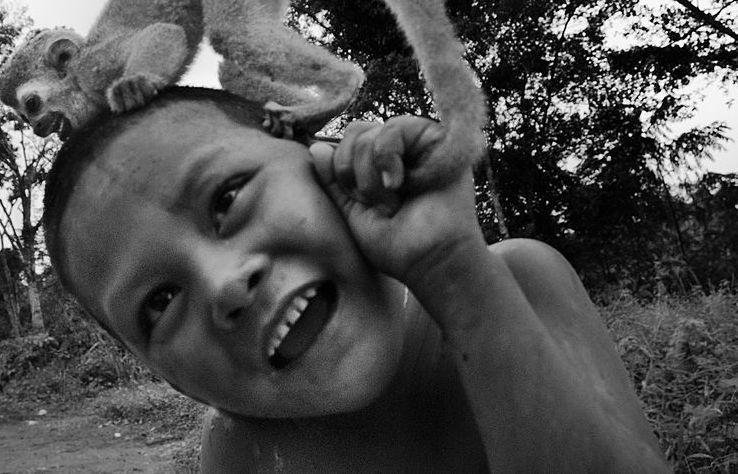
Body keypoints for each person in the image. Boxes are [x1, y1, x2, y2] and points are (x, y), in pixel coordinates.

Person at [43, 86, 668, 472]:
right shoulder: (239, 455)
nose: (225, 284)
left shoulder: (519, 283)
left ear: (319, 156)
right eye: (158, 303)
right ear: (163, 375)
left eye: (228, 198)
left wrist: (455, 272)